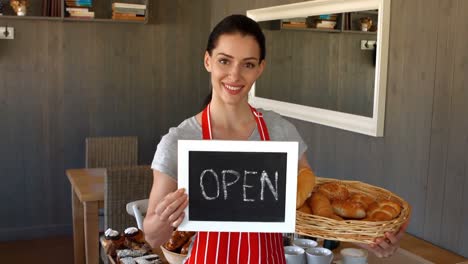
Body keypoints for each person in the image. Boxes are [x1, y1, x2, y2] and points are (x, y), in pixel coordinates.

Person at [143, 14, 407, 263]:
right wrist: (165, 219)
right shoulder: (179, 141)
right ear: (208, 61)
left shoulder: (280, 131)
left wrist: (367, 236)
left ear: (260, 69)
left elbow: (309, 210)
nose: (235, 75)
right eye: (225, 61)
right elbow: (153, 237)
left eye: (247, 64)